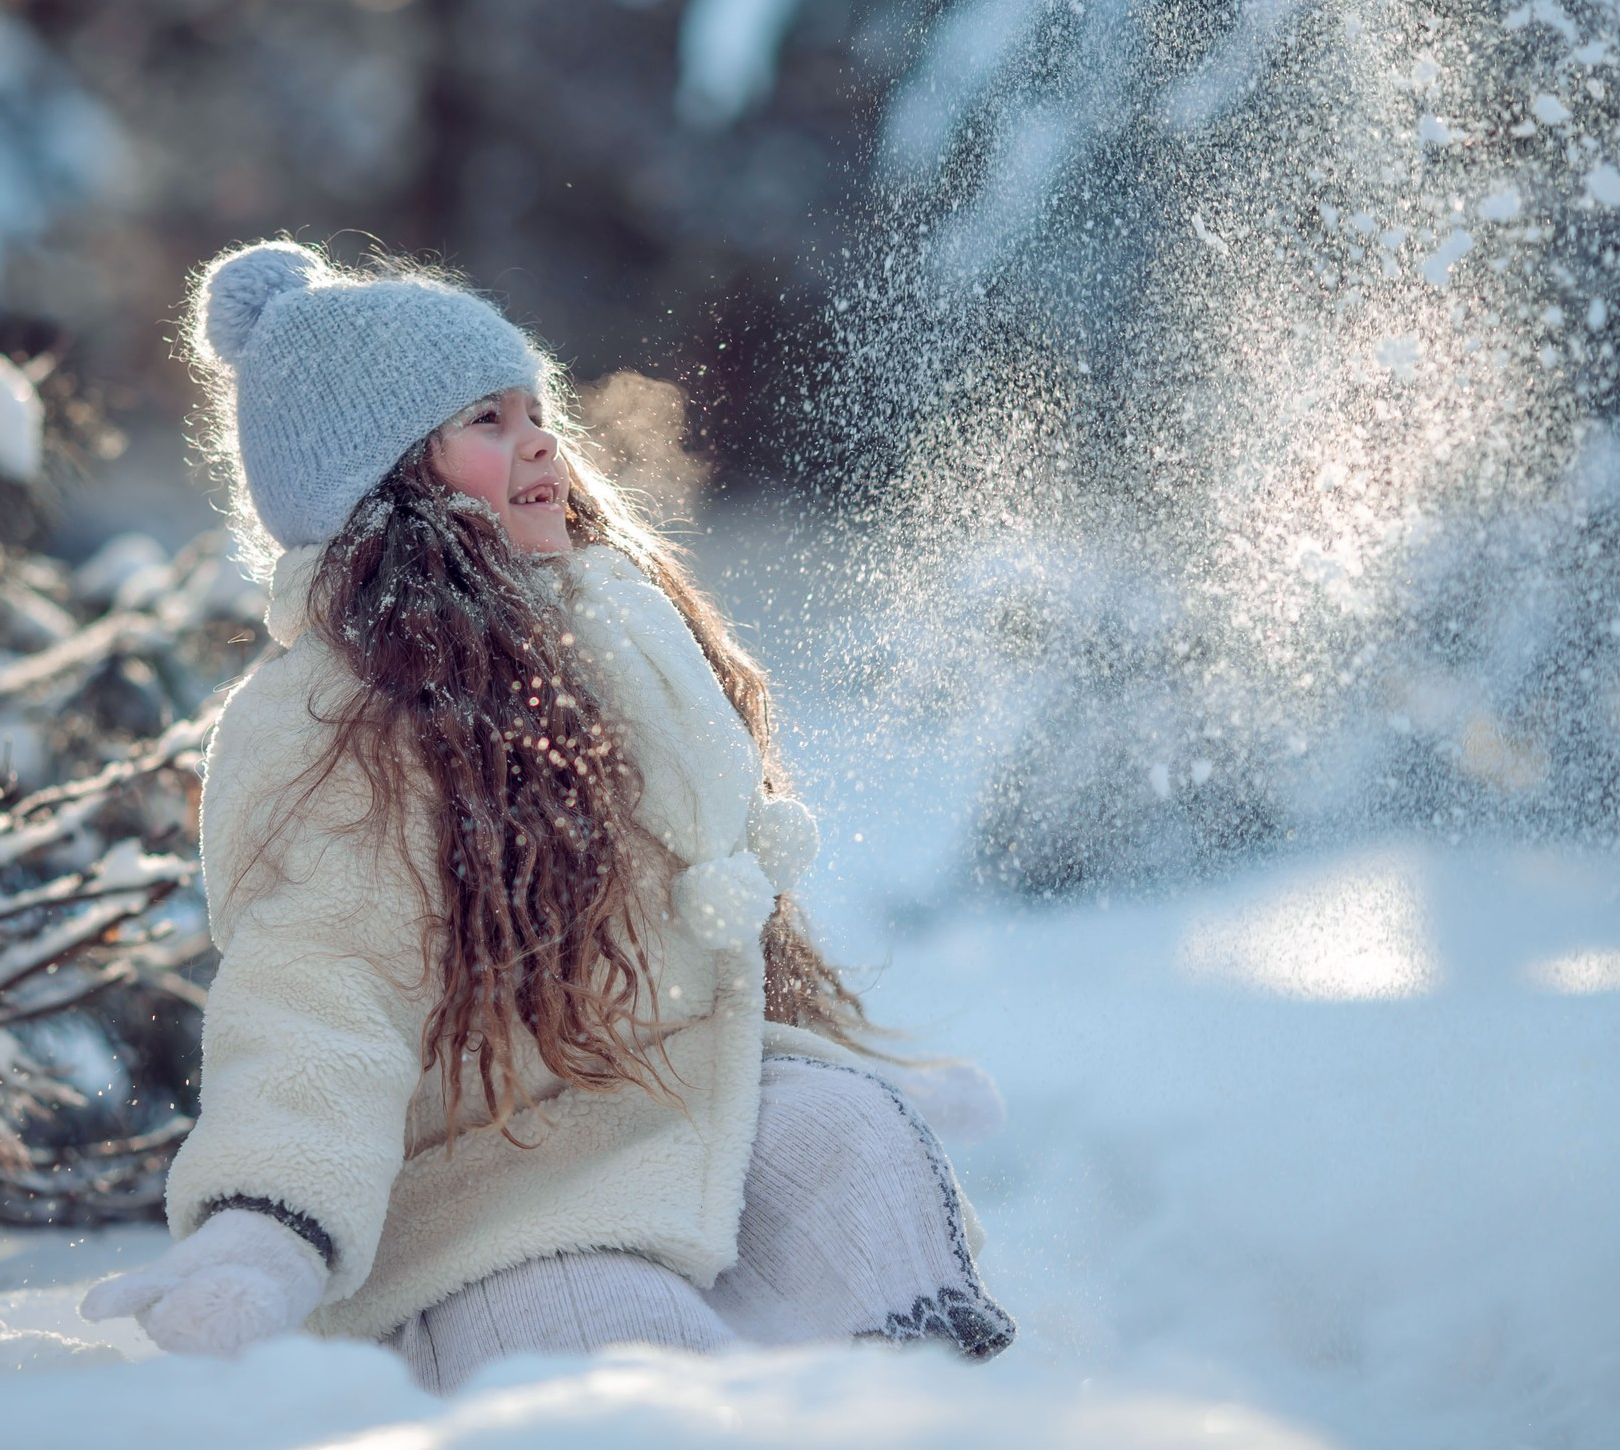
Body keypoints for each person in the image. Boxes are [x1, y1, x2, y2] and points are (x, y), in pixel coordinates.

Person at [79, 239, 1013, 1392]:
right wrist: (265, 1231)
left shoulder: (601, 618)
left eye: (536, 410)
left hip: (650, 1103)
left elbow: (701, 903)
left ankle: (896, 1402)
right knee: (610, 1332)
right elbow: (320, 994)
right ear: (386, 481)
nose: (539, 442)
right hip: (479, 1180)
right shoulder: (339, 718)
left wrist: (846, 1065)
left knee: (844, 1136)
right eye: (487, 419)